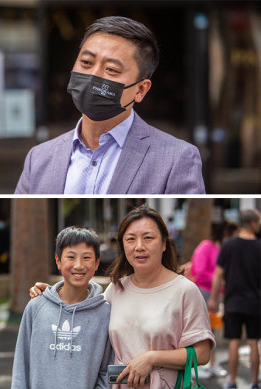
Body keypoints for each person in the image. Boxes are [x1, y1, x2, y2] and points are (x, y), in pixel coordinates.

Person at [15, 16, 205, 194]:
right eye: (86, 62)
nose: (94, 75)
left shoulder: (176, 159)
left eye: (111, 70)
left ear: (140, 90)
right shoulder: (38, 158)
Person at [30, 204, 215, 388]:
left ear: (164, 244)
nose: (139, 247)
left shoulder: (185, 291)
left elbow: (202, 353)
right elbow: (85, 311)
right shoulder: (116, 289)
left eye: (148, 238)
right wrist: (54, 295)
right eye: (131, 239)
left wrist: (152, 358)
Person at [12, 226, 111, 389]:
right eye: (71, 257)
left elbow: (105, 371)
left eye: (86, 257)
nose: (79, 265)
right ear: (58, 261)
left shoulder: (104, 313)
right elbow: (22, 365)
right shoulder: (36, 306)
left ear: (97, 263)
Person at [208, 209, 261, 389]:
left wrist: (213, 298)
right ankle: (254, 382)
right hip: (255, 302)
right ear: (253, 224)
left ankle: (231, 382)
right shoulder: (259, 246)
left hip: (233, 302)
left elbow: (217, 274)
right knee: (254, 342)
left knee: (234, 342)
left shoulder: (228, 245)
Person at [190, 221, 237, 379]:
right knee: (201, 329)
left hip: (216, 294)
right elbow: (201, 271)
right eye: (233, 235)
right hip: (204, 292)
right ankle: (199, 365)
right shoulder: (206, 246)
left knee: (213, 330)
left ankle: (212, 363)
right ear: (225, 234)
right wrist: (221, 280)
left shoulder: (221, 249)